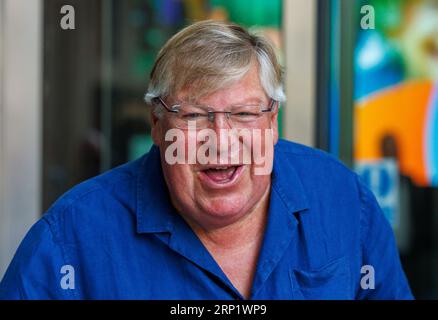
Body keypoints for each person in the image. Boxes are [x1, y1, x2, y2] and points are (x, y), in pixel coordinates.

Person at [0, 20, 412, 300]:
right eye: (194, 115)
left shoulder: (343, 202)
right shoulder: (70, 240)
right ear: (158, 126)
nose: (221, 140)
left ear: (272, 123)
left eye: (245, 114)